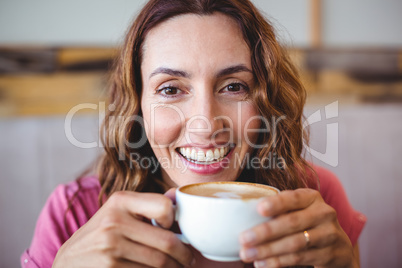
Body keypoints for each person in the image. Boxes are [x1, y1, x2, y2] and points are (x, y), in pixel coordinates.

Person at [21, 0, 366, 267]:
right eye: (171, 90)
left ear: (265, 101)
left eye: (233, 86)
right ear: (137, 106)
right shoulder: (73, 215)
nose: (205, 124)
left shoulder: (313, 199)